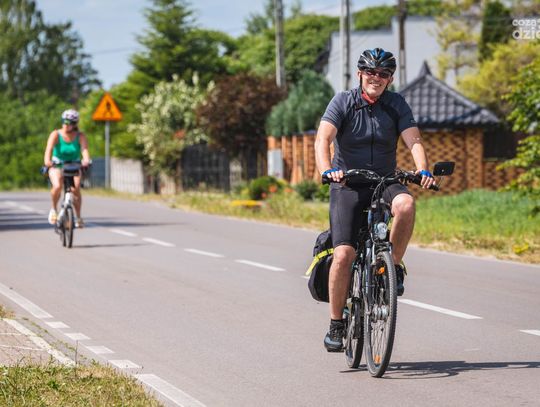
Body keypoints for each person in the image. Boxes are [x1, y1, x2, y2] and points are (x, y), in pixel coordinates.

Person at [314, 48, 435, 352]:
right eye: (370, 72)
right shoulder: (343, 102)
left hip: (384, 181)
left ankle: (391, 266)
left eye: (383, 74)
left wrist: (422, 169)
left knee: (406, 205)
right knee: (344, 255)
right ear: (360, 74)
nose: (376, 78)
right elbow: (323, 138)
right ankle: (336, 323)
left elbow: (414, 140)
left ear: (390, 79)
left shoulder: (396, 104)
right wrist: (327, 170)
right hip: (348, 184)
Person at [43, 109, 91, 228]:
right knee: (57, 186)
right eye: (64, 121)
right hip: (57, 165)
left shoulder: (80, 136)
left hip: (74, 165)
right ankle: (54, 209)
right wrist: (47, 161)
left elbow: (84, 150)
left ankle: (78, 217)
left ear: (74, 124)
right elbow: (49, 149)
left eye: (69, 122)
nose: (66, 124)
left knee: (76, 189)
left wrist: (86, 160)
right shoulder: (56, 134)